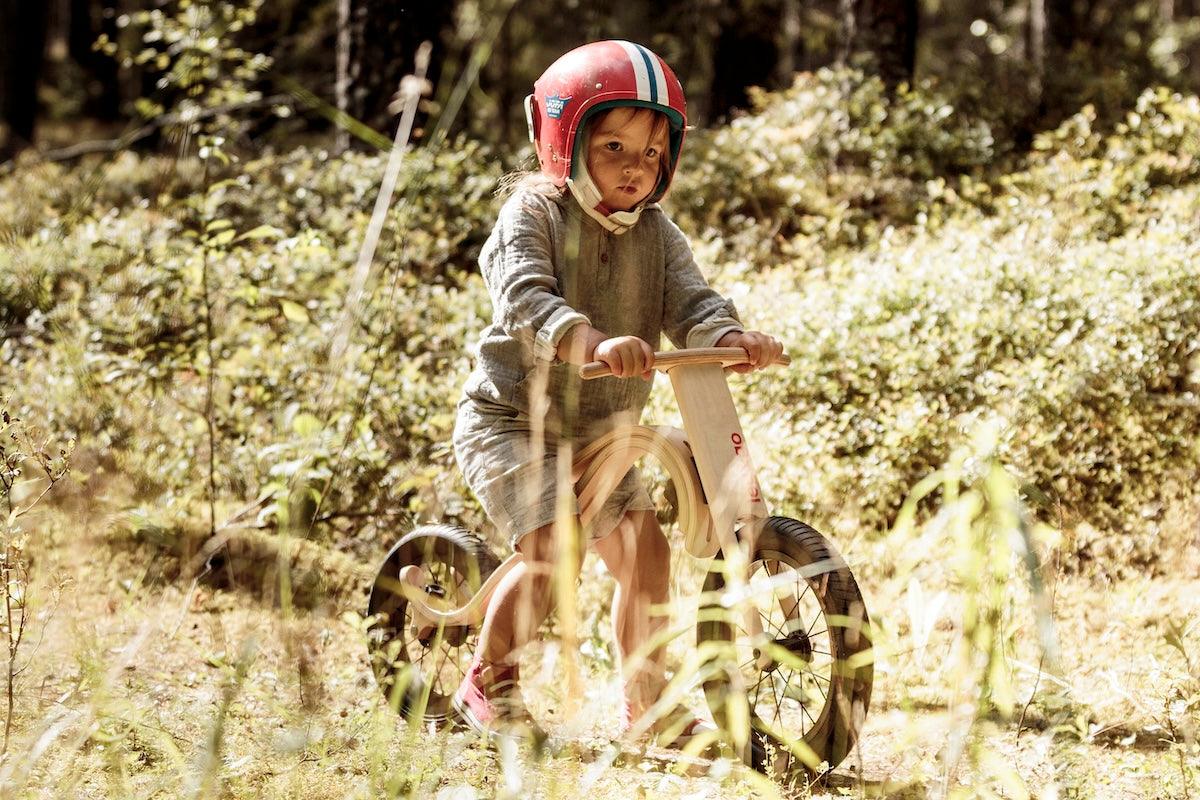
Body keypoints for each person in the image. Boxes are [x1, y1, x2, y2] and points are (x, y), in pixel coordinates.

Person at [451, 39, 783, 743]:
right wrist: (590, 341)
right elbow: (524, 296)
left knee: (648, 558)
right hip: (514, 422)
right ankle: (488, 681)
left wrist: (729, 337)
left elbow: (691, 301)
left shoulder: (656, 234)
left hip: (602, 431)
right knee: (555, 547)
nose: (636, 168)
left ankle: (648, 708)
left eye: (652, 153)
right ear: (563, 142)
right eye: (614, 148)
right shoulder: (532, 216)